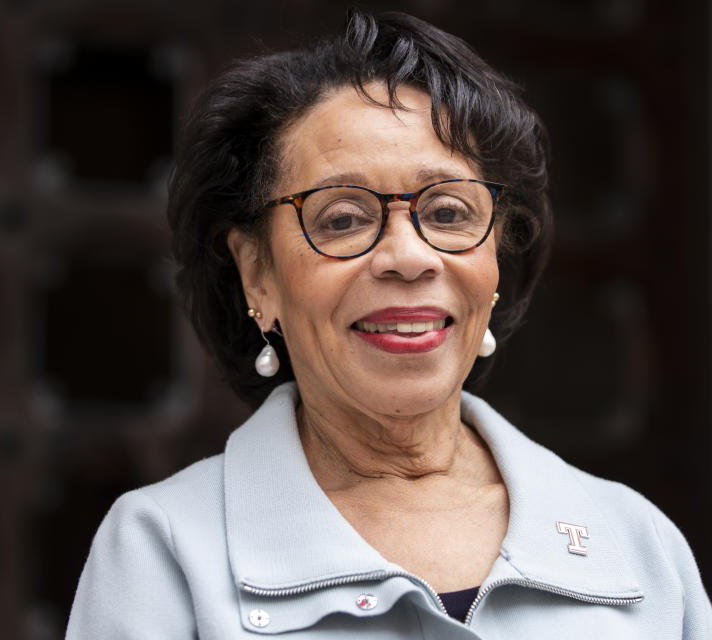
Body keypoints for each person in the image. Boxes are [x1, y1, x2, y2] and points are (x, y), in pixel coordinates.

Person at [66, 10, 711, 639]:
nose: (408, 258)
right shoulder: (164, 552)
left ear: (496, 261)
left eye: (450, 211)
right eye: (342, 218)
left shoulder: (635, 544)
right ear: (256, 274)